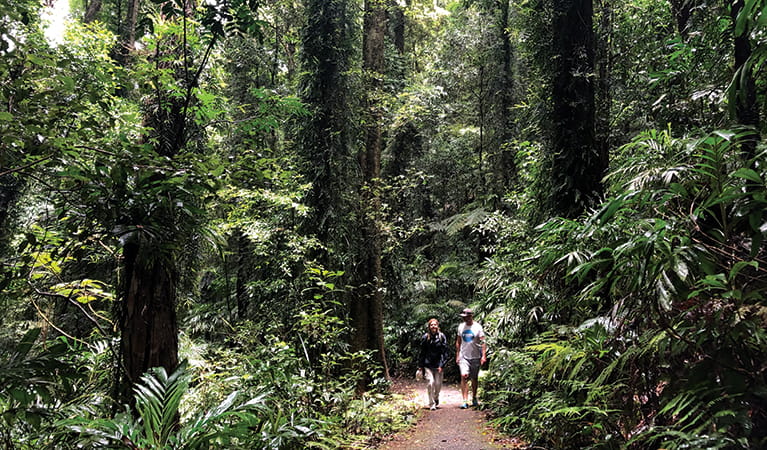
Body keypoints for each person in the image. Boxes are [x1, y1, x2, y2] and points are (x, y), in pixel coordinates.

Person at [455, 308, 486, 409]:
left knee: (474, 378)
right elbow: (458, 341)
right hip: (464, 356)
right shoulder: (461, 327)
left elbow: (483, 342)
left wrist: (483, 355)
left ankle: (474, 397)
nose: (465, 319)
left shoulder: (477, 327)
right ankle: (464, 400)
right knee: (464, 376)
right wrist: (457, 354)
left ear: (471, 316)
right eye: (463, 317)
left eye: (466, 317)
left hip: (476, 356)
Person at [418, 318, 449, 410]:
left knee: (438, 385)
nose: (433, 326)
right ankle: (431, 404)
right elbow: (422, 352)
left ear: (437, 326)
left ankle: (436, 398)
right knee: (430, 383)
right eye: (431, 325)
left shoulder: (441, 337)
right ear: (429, 327)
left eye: (435, 324)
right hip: (428, 365)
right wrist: (420, 366)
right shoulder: (425, 337)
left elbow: (445, 352)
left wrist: (442, 364)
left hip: (438, 365)